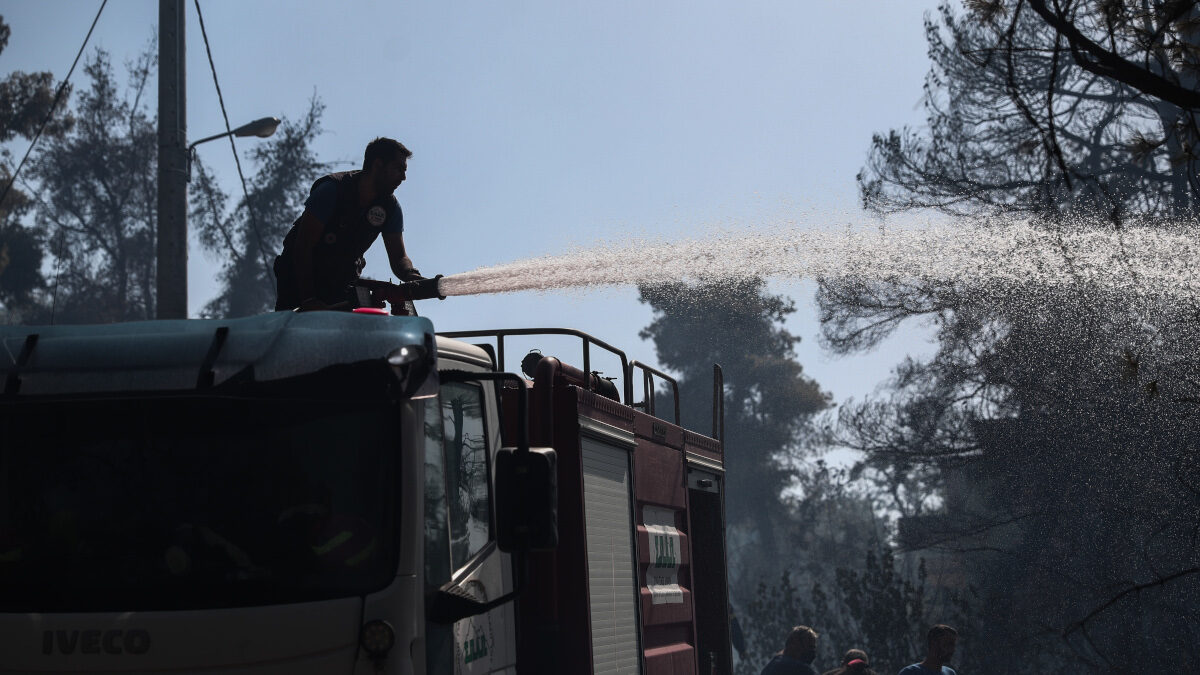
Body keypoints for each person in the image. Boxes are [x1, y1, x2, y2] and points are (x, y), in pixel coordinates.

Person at [274, 137, 423, 311]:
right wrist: (309, 300)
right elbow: (302, 247)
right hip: (298, 284)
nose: (404, 177)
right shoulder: (332, 191)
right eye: (398, 169)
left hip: (338, 285)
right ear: (377, 165)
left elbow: (399, 258)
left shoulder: (390, 208)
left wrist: (411, 275)